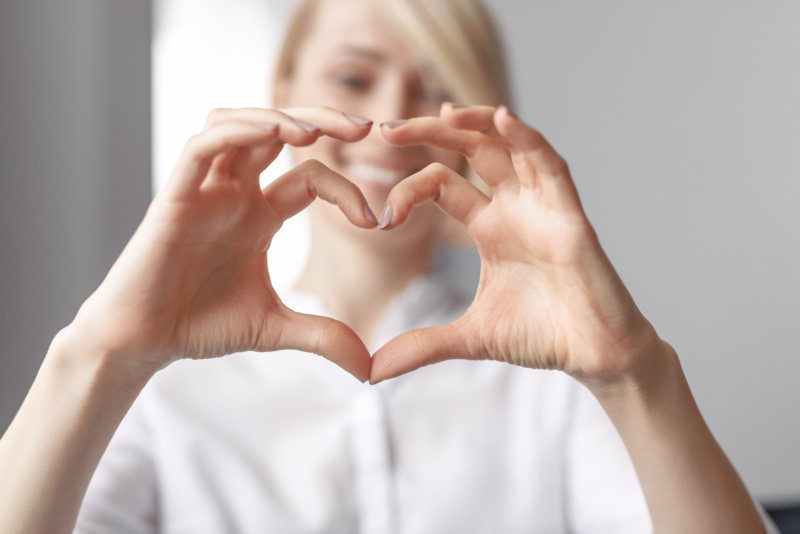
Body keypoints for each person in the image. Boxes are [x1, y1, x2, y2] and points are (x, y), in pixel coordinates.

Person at [0, 0, 778, 532]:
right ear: (283, 91)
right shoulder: (165, 383)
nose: (393, 124)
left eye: (435, 92)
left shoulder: (556, 386)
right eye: (351, 79)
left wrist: (638, 375)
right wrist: (100, 352)